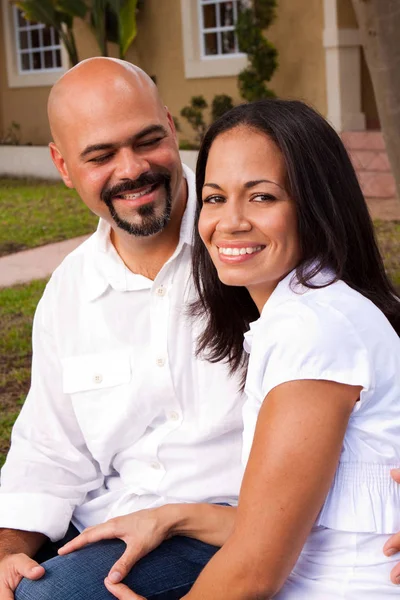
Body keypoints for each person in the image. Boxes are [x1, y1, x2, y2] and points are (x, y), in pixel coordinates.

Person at [60, 99, 400, 600]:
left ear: (315, 203)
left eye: (262, 197)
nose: (230, 222)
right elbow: (287, 525)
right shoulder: (302, 312)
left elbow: (253, 572)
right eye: (215, 198)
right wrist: (172, 517)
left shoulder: (312, 329)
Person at [0, 57, 244, 600]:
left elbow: (359, 350)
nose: (132, 169)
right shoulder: (69, 291)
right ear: (63, 167)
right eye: (101, 155)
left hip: (229, 526)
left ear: (171, 126)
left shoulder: (245, 241)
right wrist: (6, 552)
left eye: (147, 140)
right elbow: (49, 450)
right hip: (110, 524)